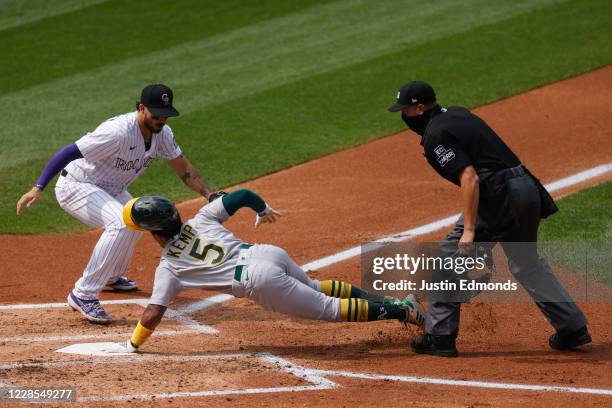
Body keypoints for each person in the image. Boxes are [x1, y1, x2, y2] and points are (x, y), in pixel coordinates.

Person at [388, 81, 590, 357]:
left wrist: (469, 231)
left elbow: (470, 177)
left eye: (406, 110)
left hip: (498, 195)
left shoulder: (435, 133)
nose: (404, 116)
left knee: (449, 257)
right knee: (526, 263)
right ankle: (572, 327)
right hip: (525, 187)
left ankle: (439, 336)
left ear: (420, 108)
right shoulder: (458, 113)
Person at [104, 189, 425, 353]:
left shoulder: (169, 268)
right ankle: (392, 300)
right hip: (267, 253)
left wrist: (132, 345)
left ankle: (402, 310)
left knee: (327, 309)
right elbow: (242, 195)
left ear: (153, 232)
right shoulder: (201, 219)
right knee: (315, 287)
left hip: (260, 281)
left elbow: (152, 314)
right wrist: (262, 209)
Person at [16, 84, 212, 324]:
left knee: (139, 218)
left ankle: (110, 275)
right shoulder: (117, 132)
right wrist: (38, 187)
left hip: (110, 188)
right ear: (141, 108)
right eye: (156, 114)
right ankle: (83, 294)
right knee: (121, 223)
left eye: (165, 114)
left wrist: (209, 194)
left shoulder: (163, 134)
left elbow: (183, 168)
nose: (161, 120)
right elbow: (68, 152)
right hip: (77, 185)